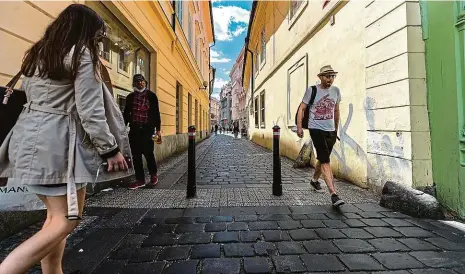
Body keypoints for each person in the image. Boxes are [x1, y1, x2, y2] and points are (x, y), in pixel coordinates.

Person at [0, 4, 133, 274]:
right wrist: (110, 150)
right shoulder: (81, 54)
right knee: (66, 220)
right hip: (58, 146)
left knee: (53, 218)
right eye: (98, 35)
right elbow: (90, 111)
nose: (99, 40)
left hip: (26, 140)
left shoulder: (38, 53)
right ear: (87, 31)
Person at [296, 65, 345, 207]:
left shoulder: (336, 91)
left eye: (332, 76)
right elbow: (302, 108)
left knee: (323, 157)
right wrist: (299, 127)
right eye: (327, 76)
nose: (330, 79)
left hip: (330, 131)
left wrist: (336, 130)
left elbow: (336, 110)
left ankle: (314, 180)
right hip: (315, 128)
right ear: (320, 77)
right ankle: (333, 194)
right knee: (325, 160)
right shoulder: (312, 90)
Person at [123, 74, 161, 190]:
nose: (140, 83)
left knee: (149, 154)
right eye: (137, 81)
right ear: (134, 83)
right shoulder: (130, 97)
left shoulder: (151, 96)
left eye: (142, 81)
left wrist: (158, 130)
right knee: (136, 156)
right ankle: (140, 180)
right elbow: (126, 113)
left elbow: (156, 113)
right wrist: (123, 127)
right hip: (134, 130)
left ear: (145, 82)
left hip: (147, 130)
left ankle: (153, 175)